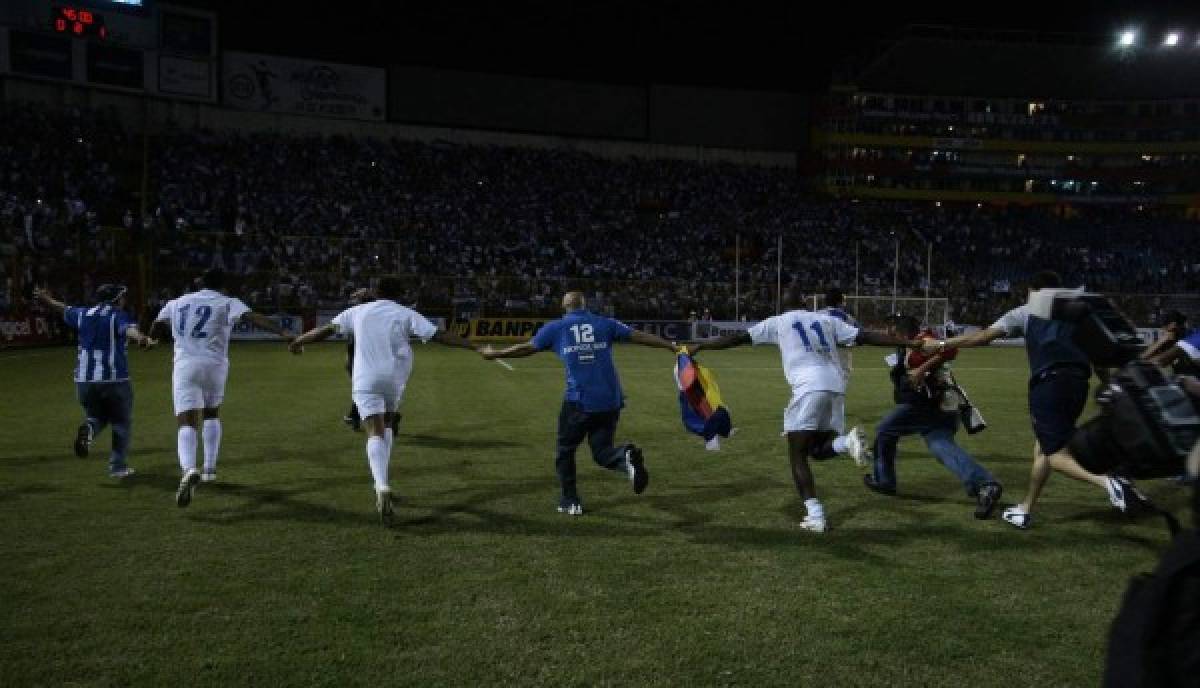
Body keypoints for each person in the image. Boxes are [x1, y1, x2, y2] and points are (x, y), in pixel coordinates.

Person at [689, 289, 921, 533]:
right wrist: (908, 342)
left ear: (781, 306)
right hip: (836, 386)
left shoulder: (778, 322)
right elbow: (866, 337)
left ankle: (816, 515)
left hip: (809, 388)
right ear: (803, 303)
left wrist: (701, 345)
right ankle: (846, 442)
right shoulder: (826, 320)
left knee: (796, 453)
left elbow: (735, 339)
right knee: (817, 451)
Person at [924, 270, 1142, 529]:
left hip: (1049, 384)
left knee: (1055, 455)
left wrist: (940, 345)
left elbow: (983, 337)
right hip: (1078, 384)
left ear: (1034, 290)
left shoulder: (1027, 311)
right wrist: (1109, 385)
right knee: (1044, 447)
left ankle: (1111, 484)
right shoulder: (1078, 315)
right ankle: (1025, 509)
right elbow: (1098, 360)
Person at [289, 276, 477, 525]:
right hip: (394, 378)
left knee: (374, 432)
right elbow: (439, 335)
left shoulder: (357, 311)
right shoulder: (406, 313)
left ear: (376, 292)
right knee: (387, 425)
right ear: (401, 294)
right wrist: (475, 347)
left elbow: (324, 331)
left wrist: (298, 341)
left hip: (366, 377)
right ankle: (384, 482)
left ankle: (381, 485)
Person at [481, 291, 677, 516]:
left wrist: (496, 353)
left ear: (564, 305)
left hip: (580, 401)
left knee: (565, 450)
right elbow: (639, 336)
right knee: (602, 452)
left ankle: (570, 500)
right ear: (585, 305)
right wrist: (670, 345)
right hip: (610, 400)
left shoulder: (555, 328)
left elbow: (526, 348)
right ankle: (625, 456)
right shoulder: (604, 323)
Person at [150, 268, 292, 508]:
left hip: (185, 365)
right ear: (223, 285)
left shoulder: (177, 302)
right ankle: (209, 468)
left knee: (186, 421)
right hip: (215, 365)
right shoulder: (227, 302)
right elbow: (253, 317)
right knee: (212, 413)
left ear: (200, 282)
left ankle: (188, 469)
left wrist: (150, 339)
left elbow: (156, 322)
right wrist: (283, 332)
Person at [864, 315, 1003, 519]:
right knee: (941, 446)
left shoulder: (921, 341)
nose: (887, 335)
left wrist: (921, 370)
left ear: (900, 331)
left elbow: (950, 349)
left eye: (890, 331)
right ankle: (985, 485)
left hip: (927, 405)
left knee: (885, 430)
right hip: (945, 405)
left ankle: (885, 481)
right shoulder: (915, 342)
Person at [34, 284, 155, 478]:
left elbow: (63, 309)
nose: (124, 300)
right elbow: (128, 331)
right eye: (122, 296)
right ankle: (118, 467)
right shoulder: (118, 314)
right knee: (121, 422)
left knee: (96, 417)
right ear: (115, 299)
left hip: (84, 381)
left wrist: (47, 300)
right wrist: (142, 339)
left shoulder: (83, 313)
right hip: (114, 380)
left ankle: (88, 430)